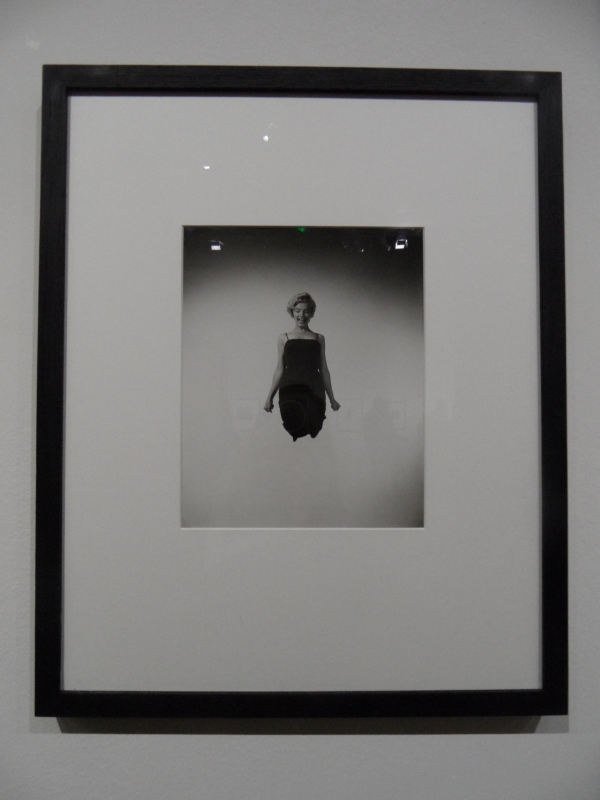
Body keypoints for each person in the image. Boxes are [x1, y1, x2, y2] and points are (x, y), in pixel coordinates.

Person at [264, 292, 340, 440]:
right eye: (298, 311)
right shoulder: (284, 338)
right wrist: (269, 398)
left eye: (306, 311)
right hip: (290, 389)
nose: (301, 315)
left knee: (314, 428)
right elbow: (279, 369)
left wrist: (332, 399)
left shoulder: (319, 338)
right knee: (294, 427)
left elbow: (324, 369)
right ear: (292, 312)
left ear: (311, 313)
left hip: (314, 389)